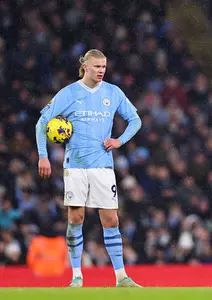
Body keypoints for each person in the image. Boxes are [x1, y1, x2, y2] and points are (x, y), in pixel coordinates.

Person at [35, 49, 142, 287]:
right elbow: (41, 123)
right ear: (85, 66)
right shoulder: (69, 93)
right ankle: (76, 276)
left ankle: (121, 277)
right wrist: (43, 156)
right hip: (76, 166)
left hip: (103, 166)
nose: (101, 70)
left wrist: (119, 141)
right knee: (76, 217)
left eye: (104, 66)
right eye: (97, 66)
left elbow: (136, 120)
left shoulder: (113, 93)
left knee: (111, 219)